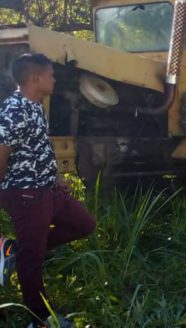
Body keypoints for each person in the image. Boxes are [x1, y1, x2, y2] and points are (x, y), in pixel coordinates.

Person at [0, 53, 96, 327]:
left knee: (84, 224)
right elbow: (1, 149)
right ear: (35, 78)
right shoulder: (14, 109)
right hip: (26, 194)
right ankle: (40, 319)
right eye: (51, 74)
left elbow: (38, 148)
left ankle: (12, 251)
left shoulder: (36, 106)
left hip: (48, 190)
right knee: (32, 259)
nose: (54, 79)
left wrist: (54, 177)